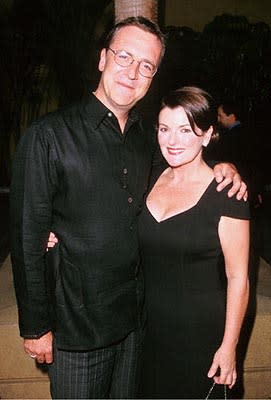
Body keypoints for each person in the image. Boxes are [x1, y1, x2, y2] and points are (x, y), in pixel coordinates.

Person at [10, 16, 246, 400]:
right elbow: (26, 237)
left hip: (137, 329)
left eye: (147, 65)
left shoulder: (147, 140)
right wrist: (36, 326)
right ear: (102, 59)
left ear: (153, 76)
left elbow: (185, 168)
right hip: (77, 331)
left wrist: (226, 166)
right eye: (124, 56)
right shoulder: (48, 136)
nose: (133, 71)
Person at [137, 87, 250, 399]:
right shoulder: (146, 177)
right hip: (148, 337)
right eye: (164, 129)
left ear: (206, 134)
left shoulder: (226, 192)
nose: (172, 141)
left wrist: (229, 347)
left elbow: (238, 277)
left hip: (202, 339)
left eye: (186, 130)